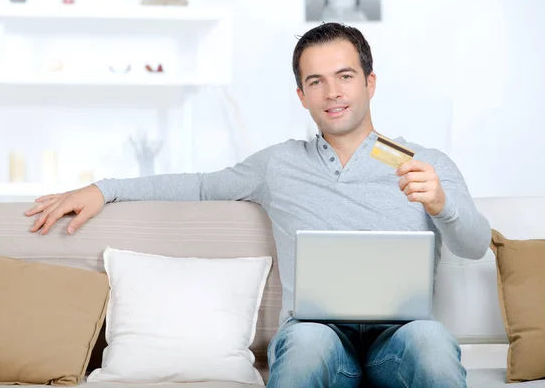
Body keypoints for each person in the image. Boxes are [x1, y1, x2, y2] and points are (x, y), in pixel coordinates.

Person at [25, 23, 491, 388]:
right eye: (317, 81)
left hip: (401, 339)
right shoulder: (278, 165)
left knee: (431, 340)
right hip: (317, 335)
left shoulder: (425, 164)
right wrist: (104, 189)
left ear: (370, 82)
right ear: (302, 95)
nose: (332, 92)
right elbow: (202, 185)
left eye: (345, 76)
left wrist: (442, 204)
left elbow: (473, 246)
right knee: (306, 342)